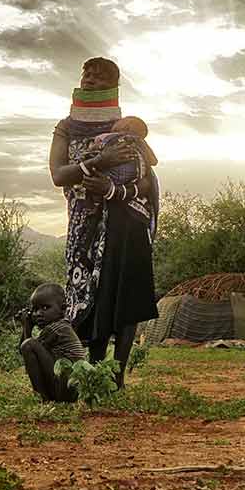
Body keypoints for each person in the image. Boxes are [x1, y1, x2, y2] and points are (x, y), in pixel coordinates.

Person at [49, 57, 159, 389]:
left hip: (126, 221)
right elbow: (57, 175)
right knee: (90, 295)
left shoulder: (125, 126)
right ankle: (95, 371)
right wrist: (100, 162)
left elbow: (148, 176)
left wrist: (114, 189)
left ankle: (118, 375)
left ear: (114, 86)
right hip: (84, 221)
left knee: (126, 295)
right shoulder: (66, 127)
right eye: (87, 74)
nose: (92, 79)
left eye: (101, 76)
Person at [18, 283, 87, 402]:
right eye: (34, 310)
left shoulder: (55, 328)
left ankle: (42, 398)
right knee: (29, 345)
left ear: (62, 309)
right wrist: (27, 326)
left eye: (45, 308)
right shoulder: (62, 326)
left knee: (29, 344)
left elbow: (26, 349)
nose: (38, 314)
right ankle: (46, 397)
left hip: (67, 387)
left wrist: (27, 327)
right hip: (69, 388)